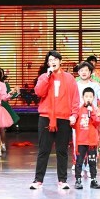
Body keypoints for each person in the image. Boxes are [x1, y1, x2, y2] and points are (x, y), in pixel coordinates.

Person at [31, 50, 78, 190]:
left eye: (55, 59)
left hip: (63, 117)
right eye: (50, 60)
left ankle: (62, 180)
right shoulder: (43, 77)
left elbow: (75, 98)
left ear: (60, 61)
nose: (53, 62)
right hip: (46, 117)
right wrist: (47, 76)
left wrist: (74, 114)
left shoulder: (69, 78)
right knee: (43, 150)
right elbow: (39, 92)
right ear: (48, 63)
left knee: (62, 150)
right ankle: (38, 180)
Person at [72, 86, 100, 190]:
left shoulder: (96, 110)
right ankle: (78, 180)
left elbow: (98, 122)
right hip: (81, 141)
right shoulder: (78, 110)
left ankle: (93, 180)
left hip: (92, 141)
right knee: (79, 162)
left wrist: (92, 112)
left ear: (93, 98)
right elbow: (74, 125)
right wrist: (72, 120)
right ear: (83, 97)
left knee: (92, 162)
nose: (88, 98)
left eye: (90, 96)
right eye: (86, 96)